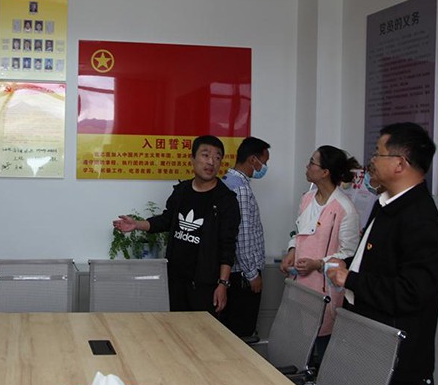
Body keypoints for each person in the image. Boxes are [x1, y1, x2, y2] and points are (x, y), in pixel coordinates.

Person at [326, 122, 438, 385]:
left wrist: (350, 279)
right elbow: (377, 261)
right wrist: (347, 266)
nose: (371, 161)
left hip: (395, 351)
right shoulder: (388, 204)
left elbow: (412, 291)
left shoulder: (419, 217)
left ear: (399, 163)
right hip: (370, 341)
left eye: (378, 154)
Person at [113, 135, 240, 314]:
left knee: (201, 329)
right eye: (205, 155)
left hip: (205, 284)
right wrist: (136, 224)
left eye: (217, 157)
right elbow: (166, 220)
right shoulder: (181, 191)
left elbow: (228, 246)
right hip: (175, 279)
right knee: (175, 326)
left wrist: (223, 284)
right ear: (192, 159)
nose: (211, 162)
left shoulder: (226, 200)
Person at [280, 146, 360, 363]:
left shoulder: (344, 208)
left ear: (325, 172)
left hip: (325, 288)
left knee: (325, 348)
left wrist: (318, 264)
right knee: (298, 344)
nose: (307, 166)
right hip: (300, 285)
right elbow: (298, 232)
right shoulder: (307, 199)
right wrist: (292, 250)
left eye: (312, 163)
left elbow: (349, 254)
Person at [219, 136, 270, 337]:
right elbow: (242, 235)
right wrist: (252, 274)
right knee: (241, 330)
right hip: (241, 275)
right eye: (264, 162)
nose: (264, 168)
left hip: (235, 273)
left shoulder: (228, 181)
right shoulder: (239, 188)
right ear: (252, 160)